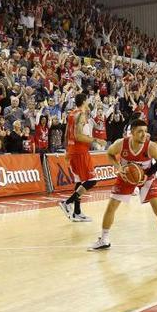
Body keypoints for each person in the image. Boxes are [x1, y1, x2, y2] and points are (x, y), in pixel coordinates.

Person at [90, 119, 157, 260]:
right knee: (111, 206)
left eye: (145, 131)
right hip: (127, 176)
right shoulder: (121, 143)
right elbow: (110, 154)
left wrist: (146, 174)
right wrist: (118, 168)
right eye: (140, 132)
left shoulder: (151, 146)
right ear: (132, 133)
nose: (144, 134)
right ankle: (104, 240)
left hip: (146, 177)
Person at [58, 93, 98, 222]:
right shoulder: (81, 114)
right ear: (84, 101)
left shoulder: (71, 114)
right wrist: (96, 140)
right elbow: (78, 136)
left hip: (73, 151)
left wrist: (66, 150)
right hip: (80, 151)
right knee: (92, 180)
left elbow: (66, 134)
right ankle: (67, 202)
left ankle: (77, 212)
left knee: (80, 182)